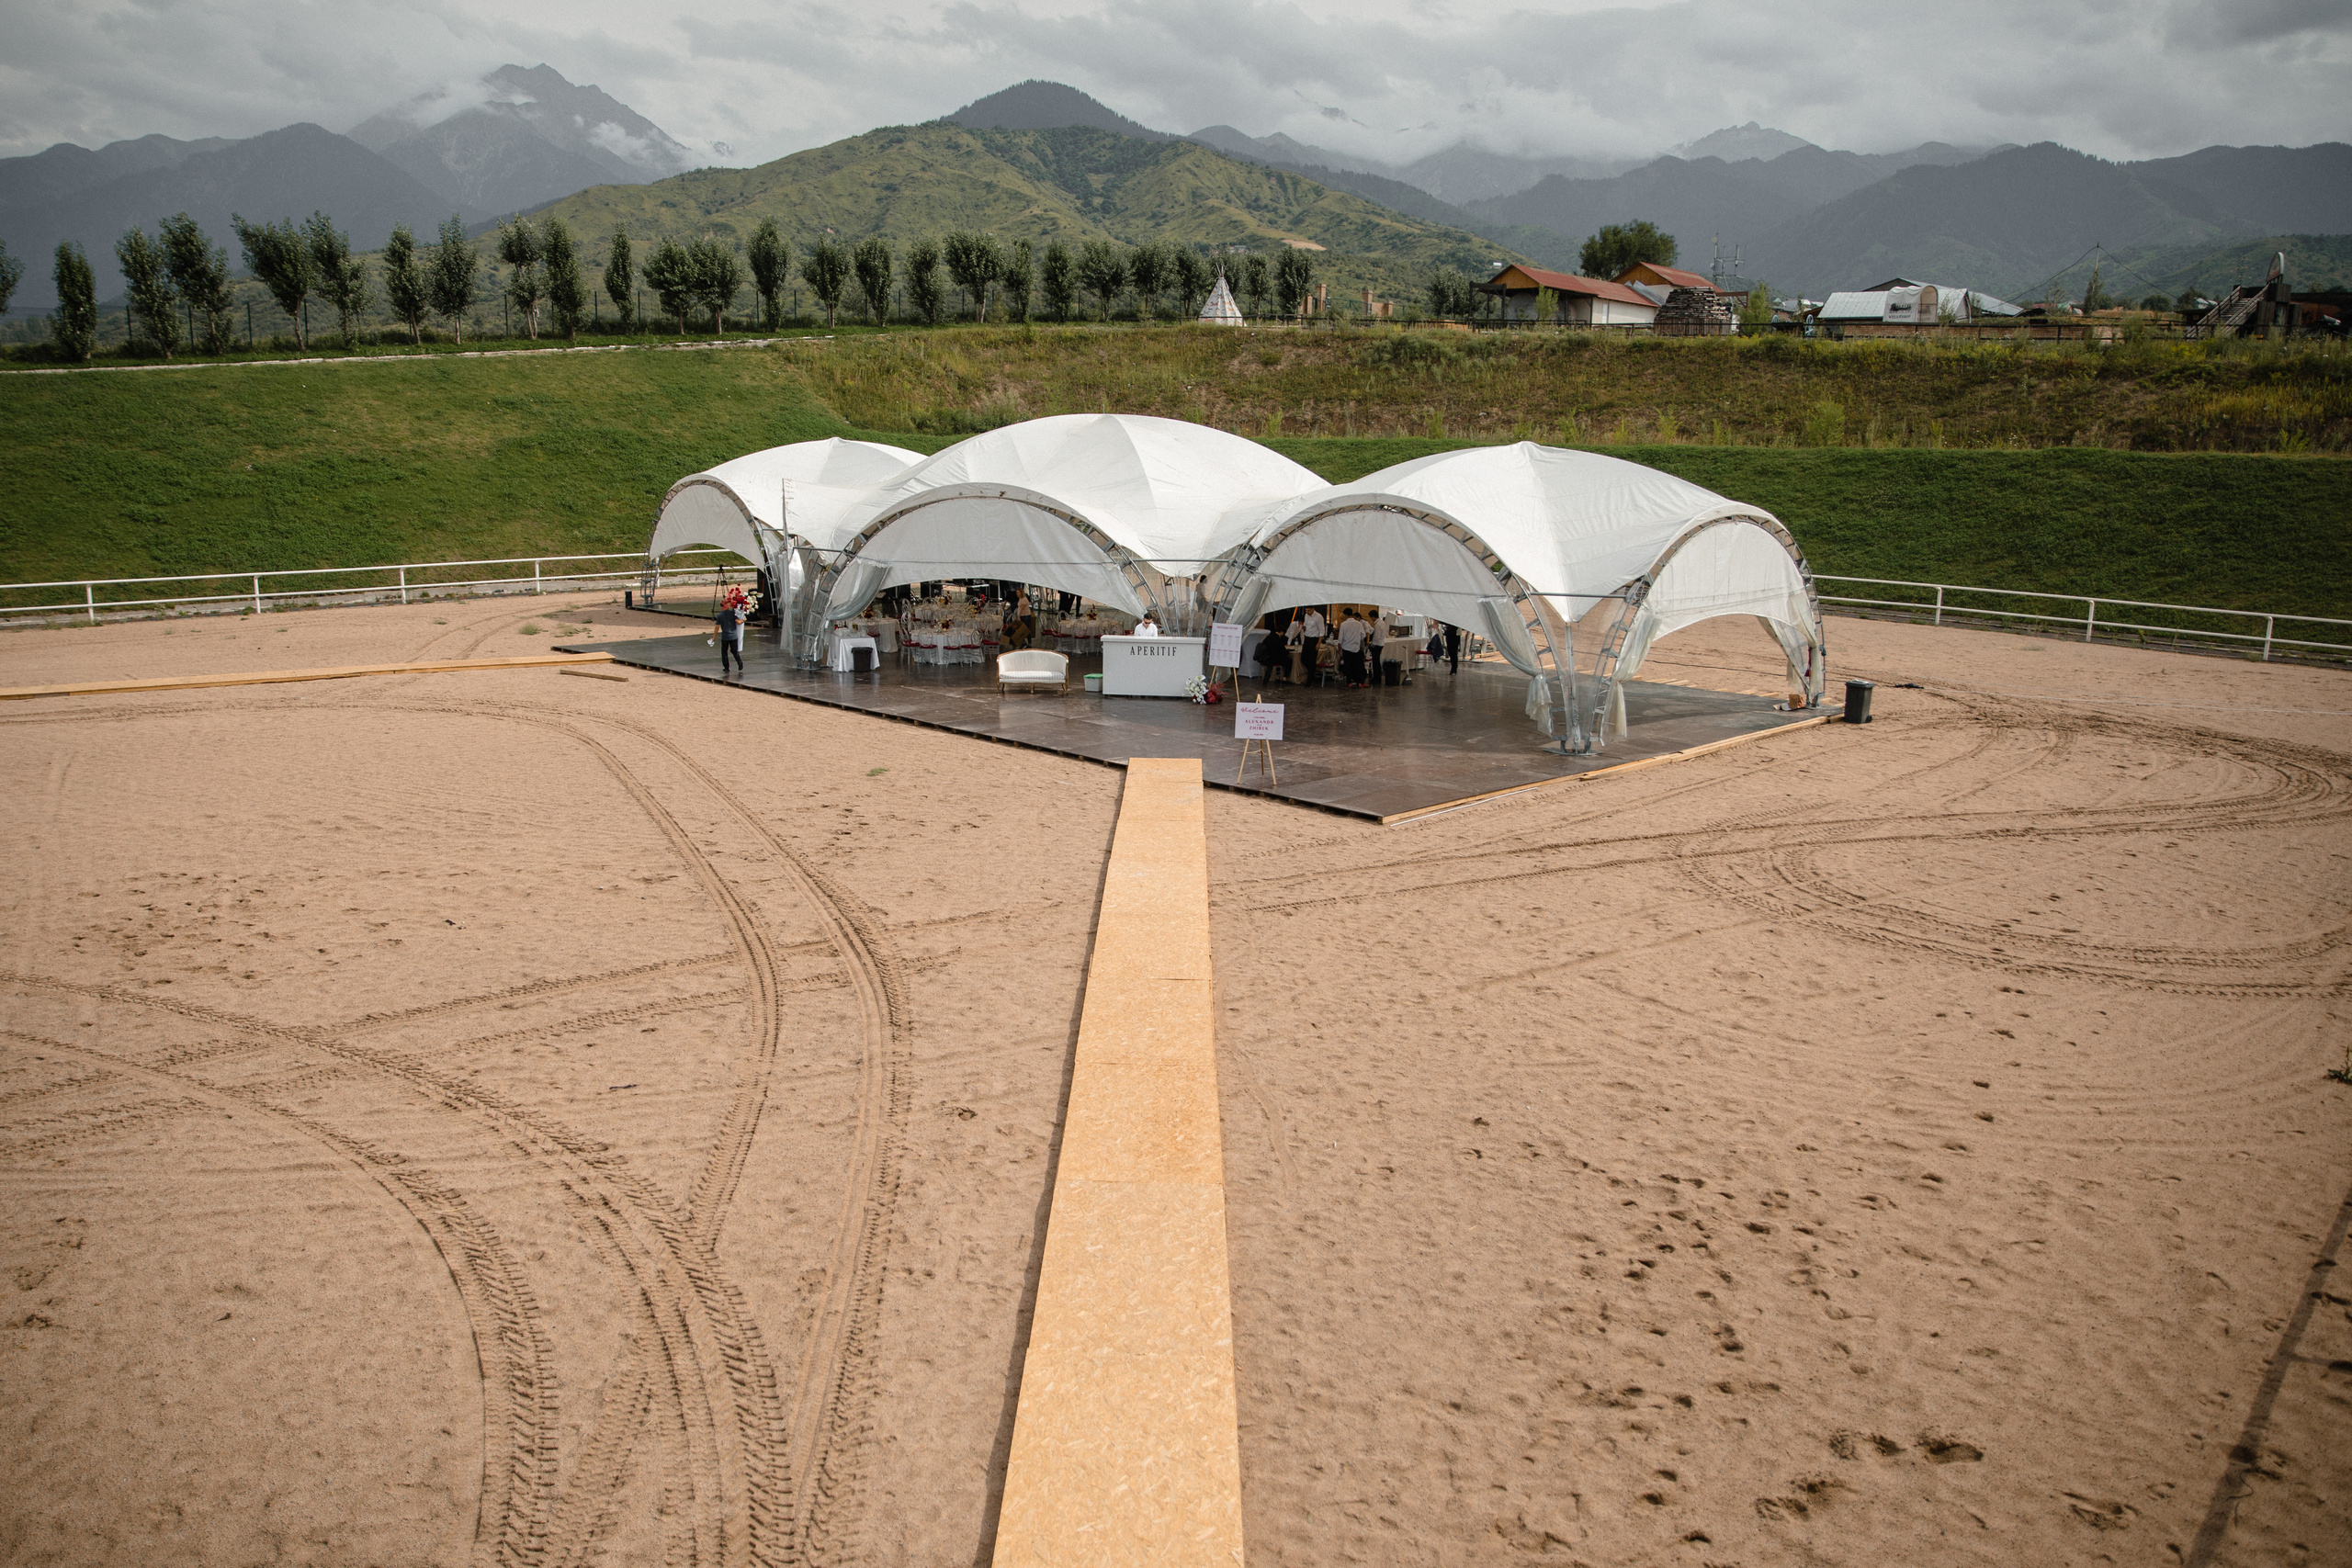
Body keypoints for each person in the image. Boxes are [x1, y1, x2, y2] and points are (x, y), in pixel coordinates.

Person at [714, 588, 748, 677]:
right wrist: (744, 620)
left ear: (722, 607)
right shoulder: (733, 613)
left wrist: (713, 637)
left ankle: (726, 667)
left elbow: (717, 627)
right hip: (734, 635)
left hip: (725, 636)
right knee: (734, 650)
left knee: (724, 652)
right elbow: (738, 622)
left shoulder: (719, 616)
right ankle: (739, 662)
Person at [1336, 607, 1371, 687]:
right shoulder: (1358, 624)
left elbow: (1340, 638)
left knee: (1348, 665)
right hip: (1356, 648)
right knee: (1357, 665)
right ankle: (1360, 682)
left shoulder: (1343, 624)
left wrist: (1339, 647)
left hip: (1346, 647)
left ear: (1345, 615)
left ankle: (1349, 682)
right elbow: (1363, 635)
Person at [1298, 605, 1326, 687]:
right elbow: (1306, 627)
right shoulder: (1306, 616)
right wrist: (1303, 628)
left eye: (1309, 610)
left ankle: (1309, 680)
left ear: (1313, 609)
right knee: (1303, 658)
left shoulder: (1318, 617)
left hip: (1314, 639)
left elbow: (1322, 630)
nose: (1307, 612)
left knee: (1312, 660)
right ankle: (1312, 671)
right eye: (1306, 611)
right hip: (1307, 638)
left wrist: (1318, 643)